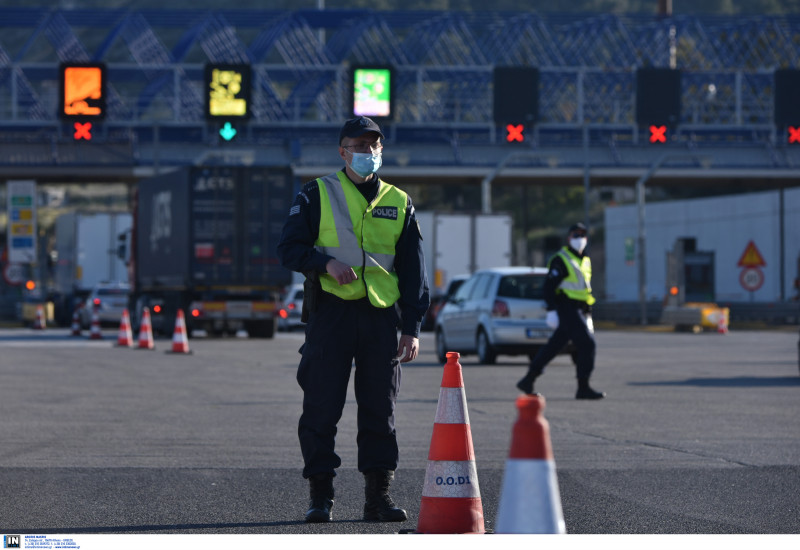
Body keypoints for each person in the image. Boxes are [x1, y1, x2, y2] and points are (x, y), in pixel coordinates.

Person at [277, 116, 430, 524]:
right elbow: (288, 248)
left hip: (380, 316)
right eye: (359, 146)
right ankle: (320, 496)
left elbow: (415, 272)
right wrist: (324, 262)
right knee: (321, 408)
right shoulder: (316, 194)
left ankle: (377, 498)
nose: (368, 153)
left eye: (374, 146)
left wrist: (412, 329)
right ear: (342, 151)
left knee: (380, 410)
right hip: (331, 313)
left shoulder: (399, 202)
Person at [516, 222, 605, 400]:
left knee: (555, 346)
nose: (580, 239)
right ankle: (583, 387)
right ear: (569, 238)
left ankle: (528, 379)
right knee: (587, 344)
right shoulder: (561, 259)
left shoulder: (584, 259)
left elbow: (582, 288)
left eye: (583, 235)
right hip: (567, 307)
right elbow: (549, 287)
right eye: (576, 235)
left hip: (580, 309)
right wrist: (551, 310)